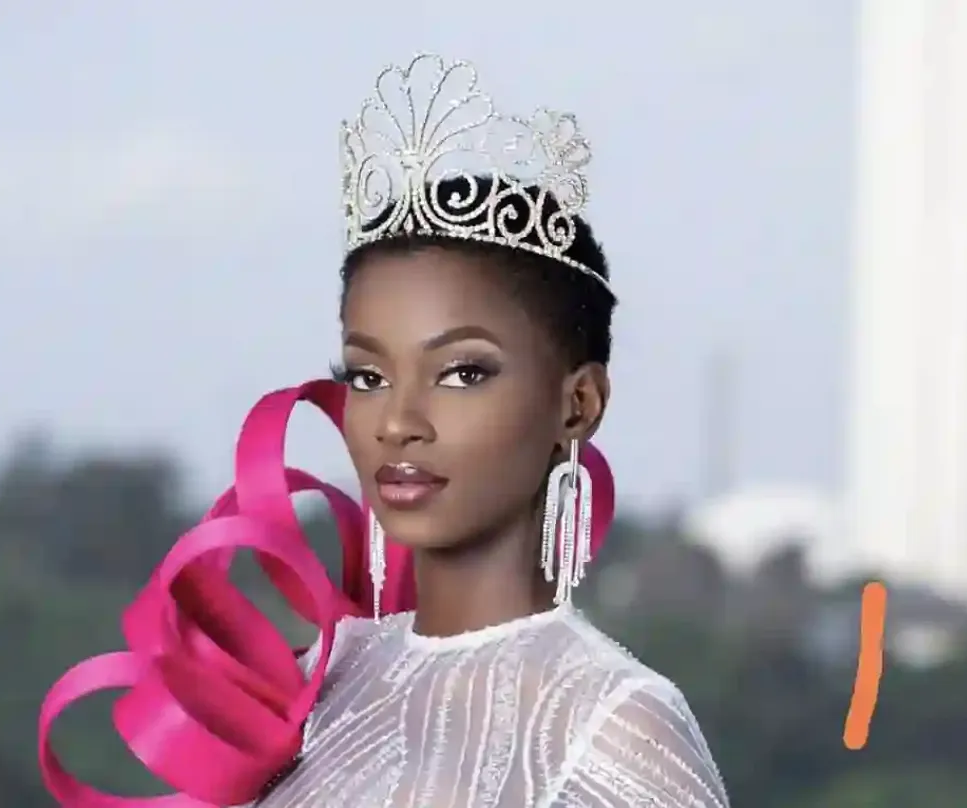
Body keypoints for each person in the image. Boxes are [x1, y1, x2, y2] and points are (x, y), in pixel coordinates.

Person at [247, 54, 730, 808]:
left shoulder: (613, 727)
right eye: (367, 376)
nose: (398, 422)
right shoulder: (322, 676)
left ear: (578, 404)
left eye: (463, 372)